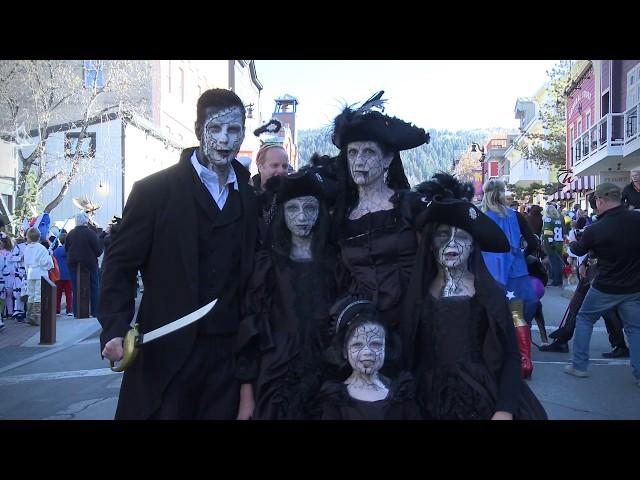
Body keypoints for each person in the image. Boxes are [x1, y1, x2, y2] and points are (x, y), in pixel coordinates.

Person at [99, 88, 259, 419]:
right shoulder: (154, 192)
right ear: (198, 128)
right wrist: (115, 327)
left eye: (233, 130)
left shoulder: (249, 196)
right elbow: (119, 265)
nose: (224, 139)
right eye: (215, 129)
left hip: (227, 357)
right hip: (166, 352)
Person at [402, 173, 547, 420]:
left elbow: (511, 355)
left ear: (472, 246)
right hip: (427, 399)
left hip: (481, 397)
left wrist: (505, 409)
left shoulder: (487, 294)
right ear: (430, 243)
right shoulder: (418, 293)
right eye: (442, 235)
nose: (451, 244)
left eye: (461, 237)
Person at [235, 171, 337, 420]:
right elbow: (251, 329)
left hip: (328, 370)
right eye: (293, 209)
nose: (302, 217)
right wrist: (246, 397)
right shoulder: (268, 266)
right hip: (278, 373)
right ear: (282, 213)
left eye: (310, 208)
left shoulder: (335, 264)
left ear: (320, 212)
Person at [329, 91, 429, 338]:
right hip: (361, 328)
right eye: (353, 152)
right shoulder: (341, 215)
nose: (359, 161)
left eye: (368, 152)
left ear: (387, 159)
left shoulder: (409, 206)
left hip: (410, 322)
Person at [563, 183, 640, 387]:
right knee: (635, 329)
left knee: (585, 318)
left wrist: (570, 243)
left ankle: (579, 366)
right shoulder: (637, 219)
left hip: (606, 286)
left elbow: (579, 251)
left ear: (601, 200)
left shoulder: (596, 229)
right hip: (633, 286)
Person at [318, 297, 421, 420]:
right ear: (345, 351)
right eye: (357, 344)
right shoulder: (336, 400)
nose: (367, 352)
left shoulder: (401, 394)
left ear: (386, 349)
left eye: (376, 344)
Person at [480, 178, 539, 379]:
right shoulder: (516, 216)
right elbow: (533, 241)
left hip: (489, 273)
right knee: (517, 315)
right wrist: (524, 253)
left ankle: (492, 360)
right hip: (516, 272)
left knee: (487, 316)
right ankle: (525, 362)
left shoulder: (480, 216)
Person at [65, 212, 102, 317]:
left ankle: (77, 311)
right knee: (94, 286)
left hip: (73, 263)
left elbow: (66, 248)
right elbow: (98, 251)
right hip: (89, 263)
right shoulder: (91, 233)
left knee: (75, 287)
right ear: (87, 221)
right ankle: (95, 311)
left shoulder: (70, 233)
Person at [23, 227, 54, 326]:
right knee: (38, 295)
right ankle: (36, 316)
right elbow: (45, 263)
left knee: (31, 295)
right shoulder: (41, 248)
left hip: (30, 273)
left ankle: (29, 314)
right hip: (40, 274)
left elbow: (26, 263)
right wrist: (49, 255)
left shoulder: (27, 248)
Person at [541, 203, 566, 287]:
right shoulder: (559, 219)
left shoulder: (548, 220)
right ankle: (560, 279)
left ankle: (556, 281)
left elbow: (547, 233)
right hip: (559, 243)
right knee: (558, 262)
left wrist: (550, 244)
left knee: (554, 263)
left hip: (552, 244)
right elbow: (563, 232)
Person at [53, 232, 73, 316]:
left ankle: (57, 310)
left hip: (58, 275)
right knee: (69, 293)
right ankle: (69, 310)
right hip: (68, 274)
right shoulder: (69, 250)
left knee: (58, 294)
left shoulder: (56, 251)